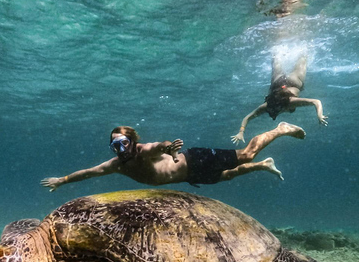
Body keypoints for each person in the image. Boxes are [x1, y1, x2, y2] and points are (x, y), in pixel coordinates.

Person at [40, 122, 306, 191]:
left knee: (245, 154)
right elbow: (88, 172)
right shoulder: (116, 166)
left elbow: (161, 145)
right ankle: (264, 165)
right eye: (114, 146)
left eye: (122, 143)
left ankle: (279, 130)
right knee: (229, 176)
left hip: (196, 159)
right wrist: (62, 180)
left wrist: (170, 149)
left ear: (133, 141)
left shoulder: (144, 151)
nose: (119, 150)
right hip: (189, 176)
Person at [231, 55, 327, 145]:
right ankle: (280, 47)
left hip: (294, 82)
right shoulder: (268, 105)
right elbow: (247, 118)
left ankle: (297, 47)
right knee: (277, 60)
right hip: (277, 82)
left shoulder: (288, 103)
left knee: (302, 59)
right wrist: (241, 132)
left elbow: (316, 101)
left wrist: (320, 115)